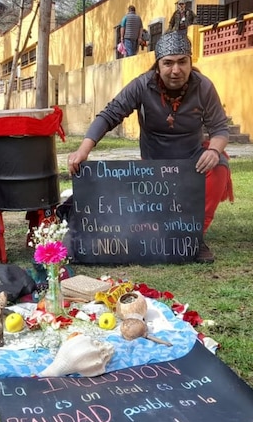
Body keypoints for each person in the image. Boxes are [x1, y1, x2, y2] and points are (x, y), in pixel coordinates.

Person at [67, 32, 233, 263]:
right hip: (154, 164)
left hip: (192, 160)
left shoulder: (203, 87)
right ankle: (170, 233)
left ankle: (193, 238)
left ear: (190, 62)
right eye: (168, 63)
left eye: (182, 62)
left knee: (220, 167)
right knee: (141, 219)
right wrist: (83, 149)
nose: (176, 70)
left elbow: (220, 128)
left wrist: (214, 150)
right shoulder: (142, 85)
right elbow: (109, 115)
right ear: (158, 64)